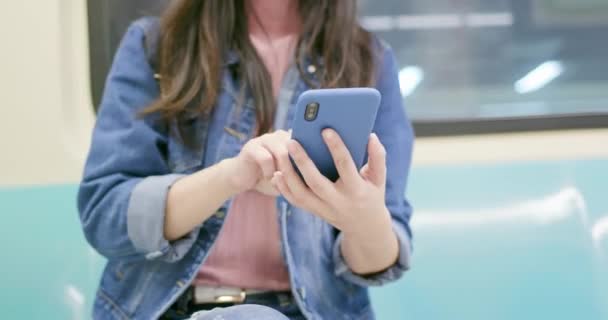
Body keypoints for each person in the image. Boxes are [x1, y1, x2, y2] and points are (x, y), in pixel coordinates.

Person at [77, 0, 414, 319]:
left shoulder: (369, 59)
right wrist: (232, 176)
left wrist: (363, 218)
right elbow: (105, 217)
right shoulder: (157, 45)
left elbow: (378, 262)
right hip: (168, 308)